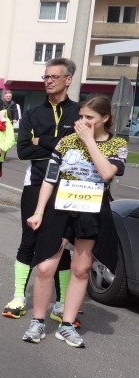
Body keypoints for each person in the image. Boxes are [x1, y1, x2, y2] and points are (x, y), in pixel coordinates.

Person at [22, 94, 126, 348]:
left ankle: (67, 325)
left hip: (91, 211)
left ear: (105, 118)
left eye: (89, 117)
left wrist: (89, 140)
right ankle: (37, 322)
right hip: (61, 208)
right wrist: (38, 211)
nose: (82, 122)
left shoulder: (117, 144)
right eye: (80, 116)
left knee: (81, 269)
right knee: (45, 267)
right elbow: (50, 178)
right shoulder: (67, 142)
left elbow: (106, 173)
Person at [2, 58, 81, 324]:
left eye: (53, 77)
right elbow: (24, 150)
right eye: (45, 77)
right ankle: (18, 297)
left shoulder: (79, 113)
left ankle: (61, 303)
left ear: (68, 80)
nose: (48, 81)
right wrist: (62, 145)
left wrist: (43, 140)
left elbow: (81, 148)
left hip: (70, 185)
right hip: (36, 183)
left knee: (62, 243)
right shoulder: (33, 114)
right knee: (29, 238)